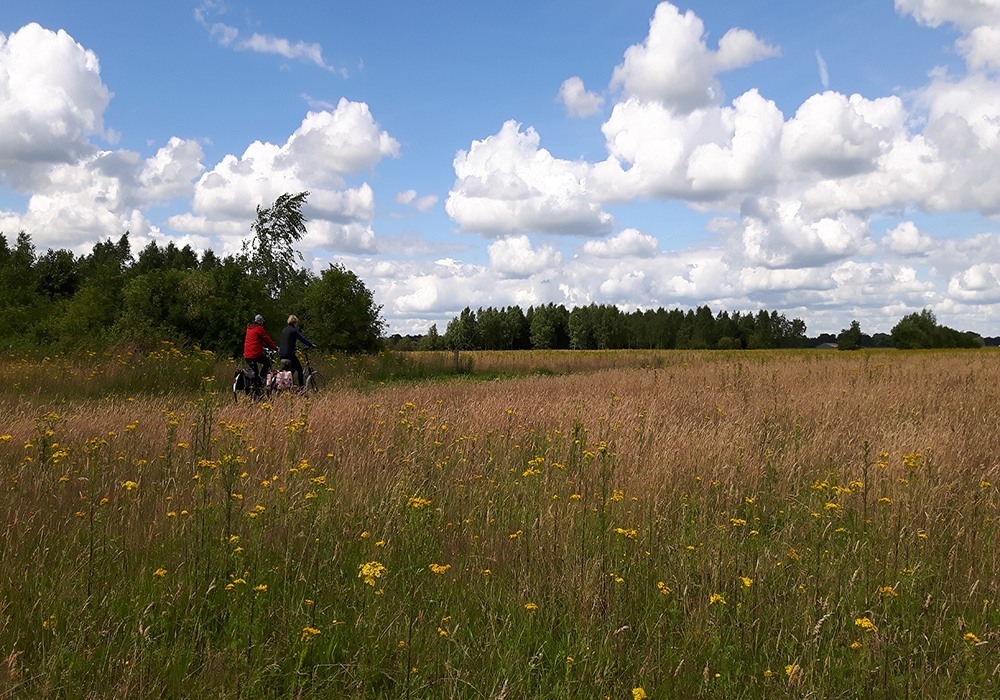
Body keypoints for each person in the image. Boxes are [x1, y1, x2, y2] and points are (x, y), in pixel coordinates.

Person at [279, 315, 316, 387]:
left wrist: (294, 347)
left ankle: (288, 386)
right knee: (299, 370)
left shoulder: (284, 330)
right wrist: (311, 345)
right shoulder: (293, 330)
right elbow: (302, 339)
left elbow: (286, 342)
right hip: (289, 355)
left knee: (291, 370)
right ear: (295, 322)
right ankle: (302, 389)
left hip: (281, 354)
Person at [244, 314, 277, 384]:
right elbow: (267, 339)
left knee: (255, 373)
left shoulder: (249, 328)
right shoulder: (259, 328)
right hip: (255, 354)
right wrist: (275, 347)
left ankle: (255, 387)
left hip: (247, 354)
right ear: (260, 322)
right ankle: (262, 378)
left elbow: (253, 341)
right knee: (267, 362)